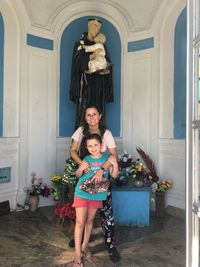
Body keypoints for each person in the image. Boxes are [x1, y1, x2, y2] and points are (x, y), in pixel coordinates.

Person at [69, 104, 121, 263]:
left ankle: (111, 246)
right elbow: (72, 150)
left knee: (107, 214)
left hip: (101, 180)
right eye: (88, 115)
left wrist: (101, 170)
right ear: (85, 117)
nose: (91, 118)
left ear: (100, 116)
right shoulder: (80, 131)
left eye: (94, 114)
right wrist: (83, 164)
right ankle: (81, 244)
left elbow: (113, 155)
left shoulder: (107, 133)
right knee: (81, 215)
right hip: (85, 177)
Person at [70, 18, 114, 130]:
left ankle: (99, 140)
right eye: (94, 25)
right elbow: (77, 63)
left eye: (99, 27)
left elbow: (108, 63)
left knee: (99, 111)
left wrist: (107, 68)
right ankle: (81, 142)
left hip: (99, 84)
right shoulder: (80, 44)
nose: (97, 28)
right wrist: (92, 56)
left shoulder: (101, 45)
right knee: (84, 112)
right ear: (88, 26)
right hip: (84, 85)